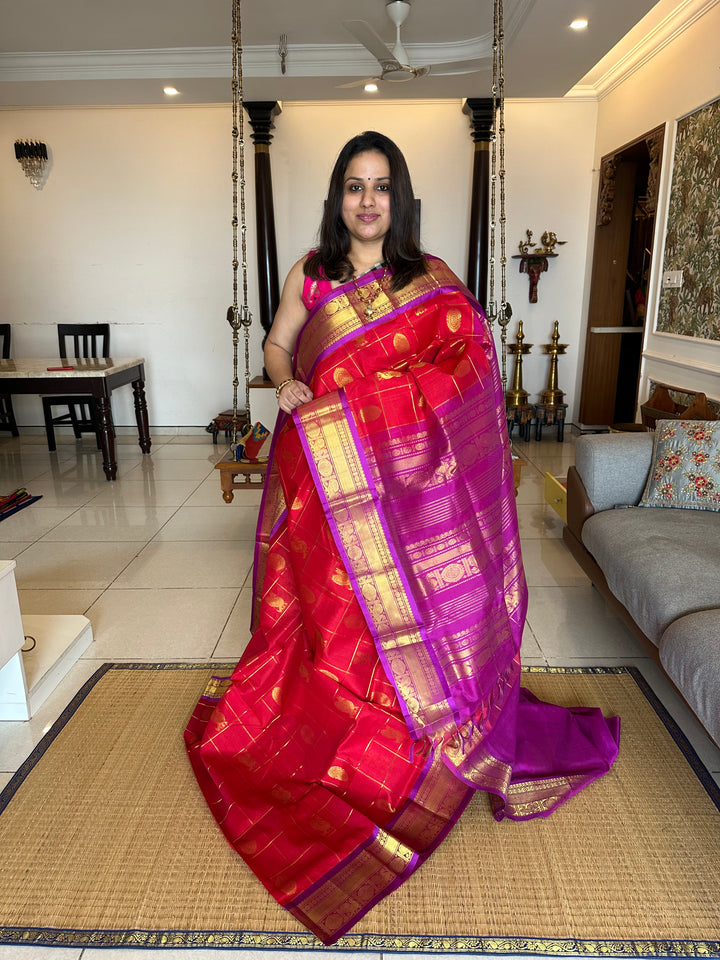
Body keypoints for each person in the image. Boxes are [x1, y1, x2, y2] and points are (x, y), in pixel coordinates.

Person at [185, 131, 620, 945]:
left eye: (382, 187)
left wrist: (386, 405)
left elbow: (471, 367)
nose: (368, 202)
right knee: (337, 614)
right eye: (355, 186)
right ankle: (343, 729)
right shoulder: (311, 278)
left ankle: (417, 733)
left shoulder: (429, 279)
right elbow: (279, 346)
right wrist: (286, 383)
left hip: (410, 491)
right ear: (337, 197)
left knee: (410, 604)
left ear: (401, 197)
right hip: (325, 476)